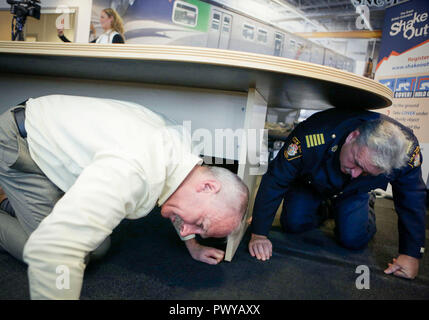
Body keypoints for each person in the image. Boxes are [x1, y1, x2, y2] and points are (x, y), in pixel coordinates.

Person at [0, 94, 249, 299]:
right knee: (73, 252)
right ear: (208, 187)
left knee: (99, 245)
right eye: (200, 224)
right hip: (21, 147)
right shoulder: (136, 170)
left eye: (199, 230)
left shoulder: (185, 155)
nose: (187, 232)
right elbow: (54, 249)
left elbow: (178, 197)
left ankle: (10, 202)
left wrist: (193, 245)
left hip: (53, 147)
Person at [248, 107, 426, 280]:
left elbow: (412, 200)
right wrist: (259, 232)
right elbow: (276, 179)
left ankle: (366, 202)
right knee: (294, 224)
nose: (355, 173)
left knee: (353, 240)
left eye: (365, 172)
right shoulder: (312, 133)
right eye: (356, 162)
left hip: (354, 191)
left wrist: (411, 253)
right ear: (352, 137)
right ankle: (327, 207)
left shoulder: (407, 154)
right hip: (311, 184)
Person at [58, 8, 125, 44]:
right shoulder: (100, 38)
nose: (100, 20)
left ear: (111, 19)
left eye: (102, 17)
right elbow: (80, 49)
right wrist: (62, 36)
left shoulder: (116, 37)